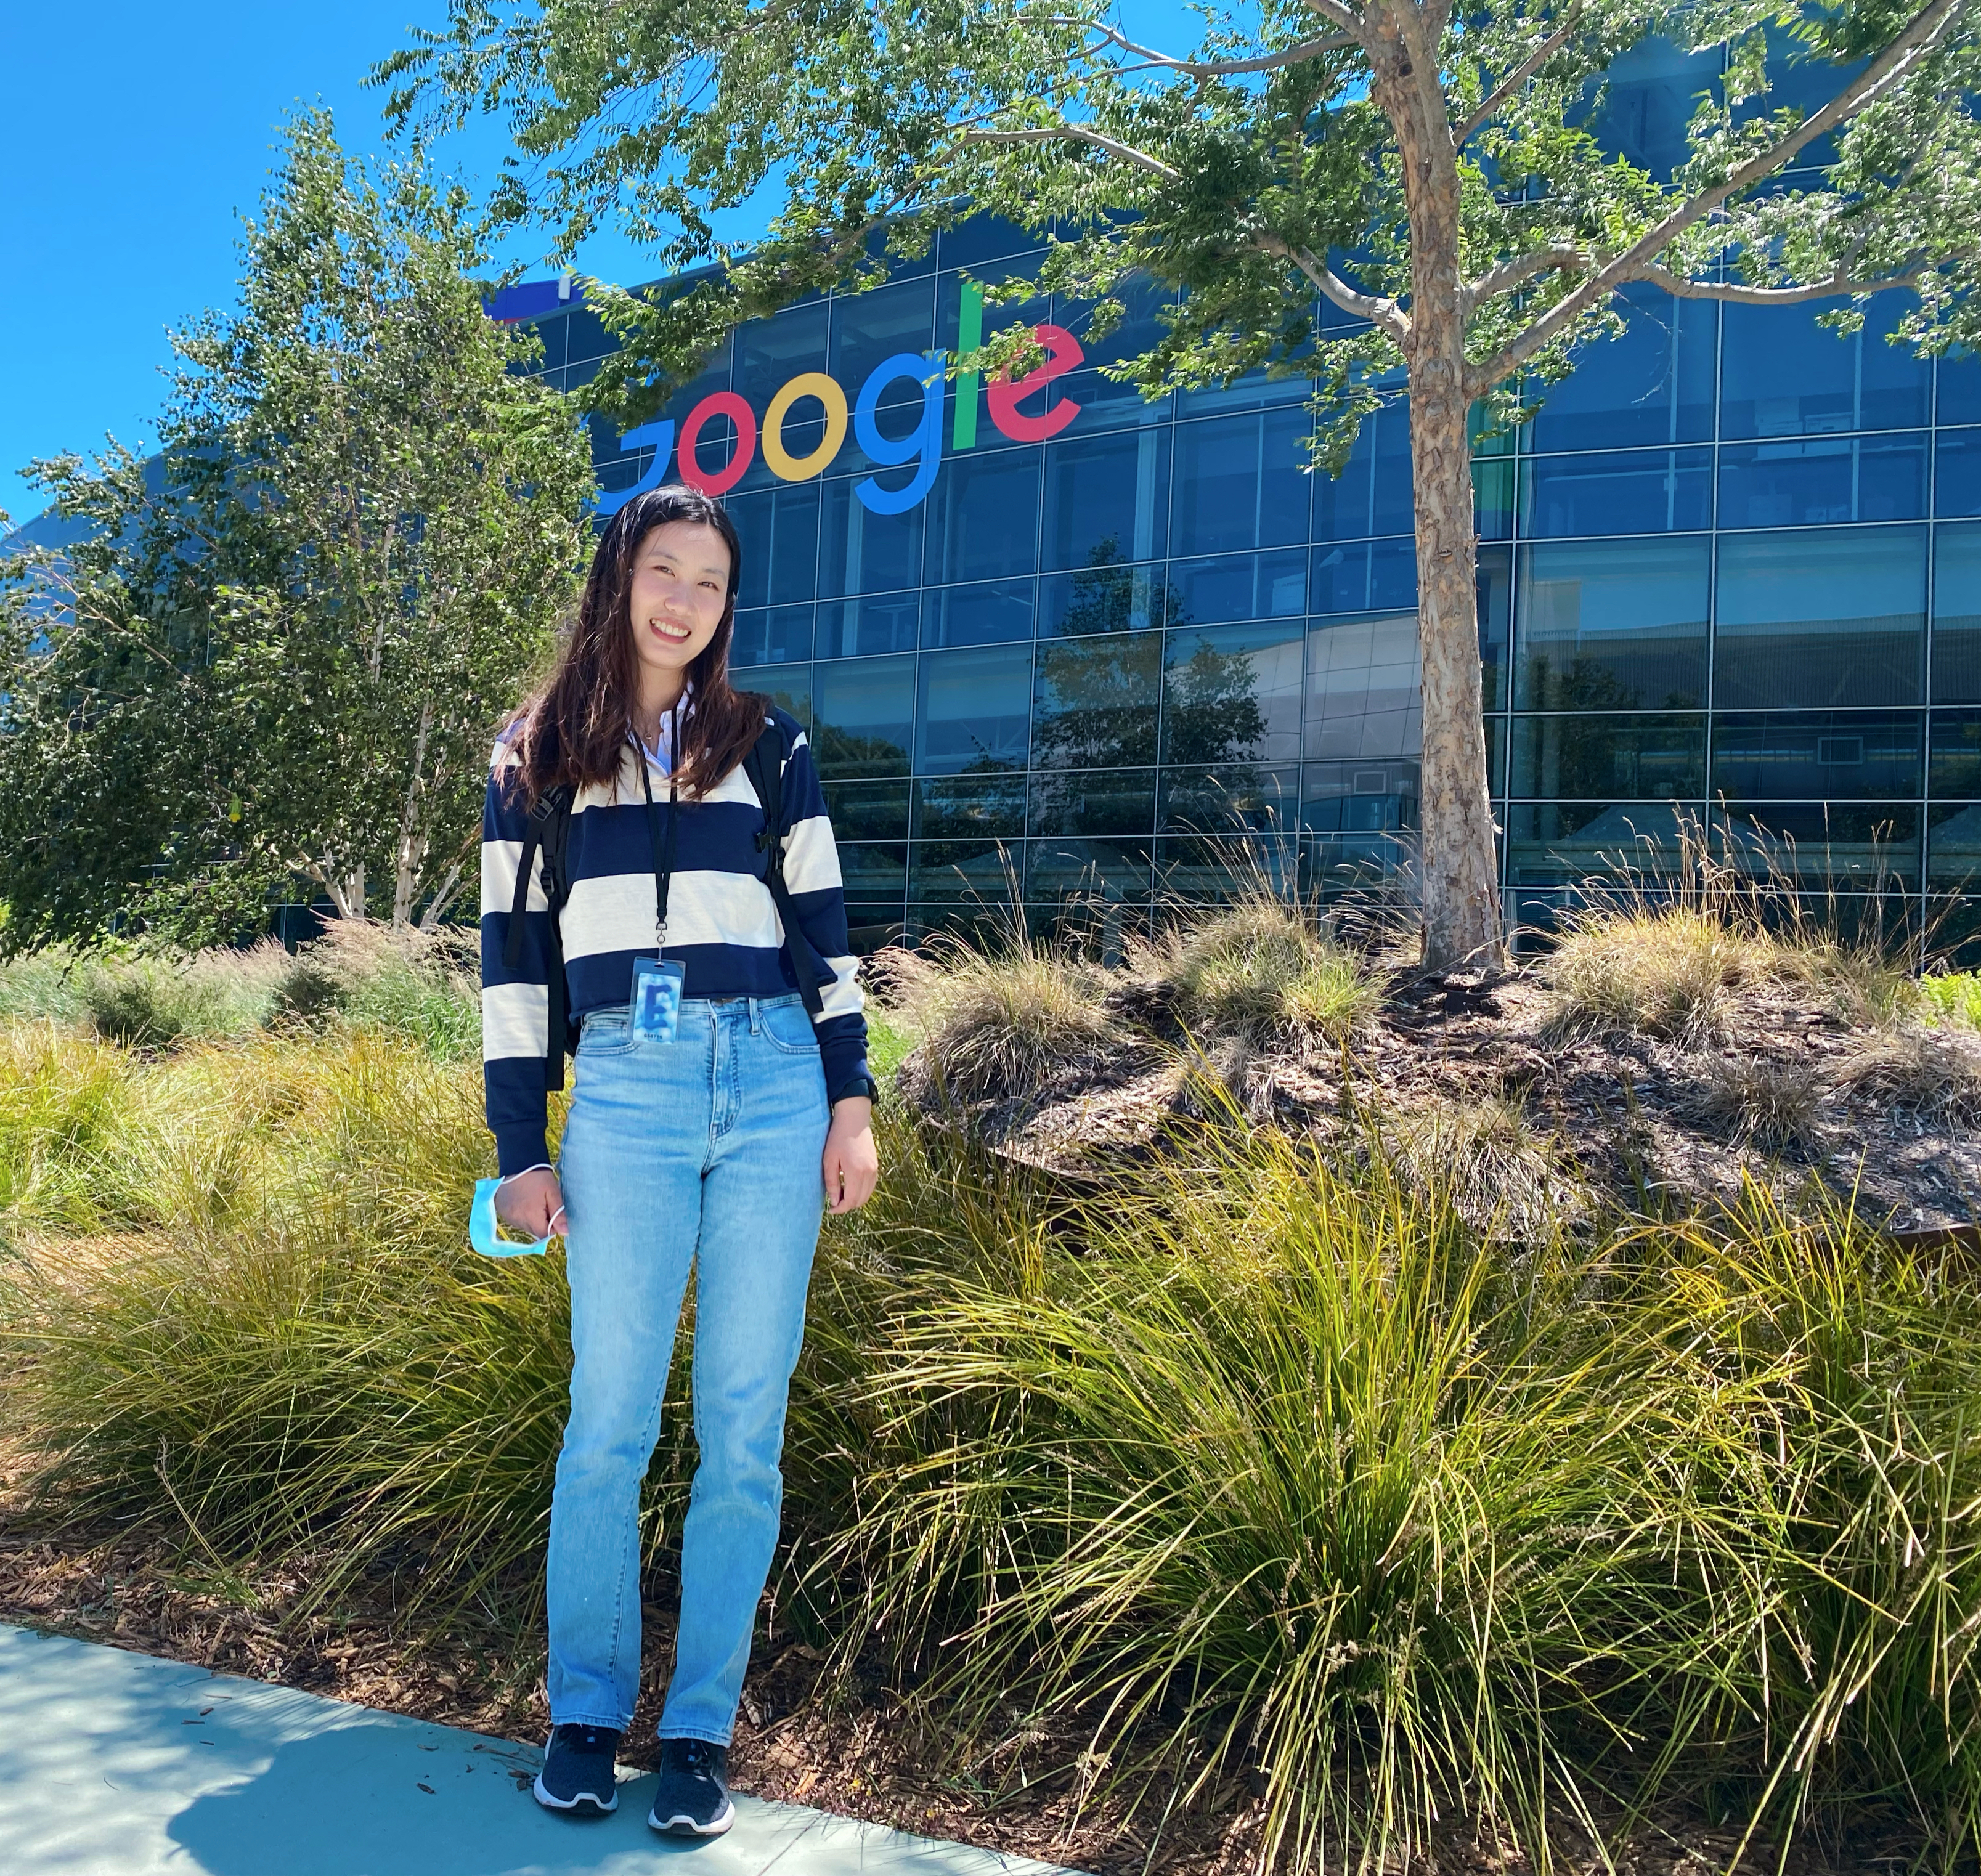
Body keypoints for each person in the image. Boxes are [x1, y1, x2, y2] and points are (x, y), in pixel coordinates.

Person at [479, 482, 879, 1837]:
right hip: (629, 1099)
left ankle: (700, 1727)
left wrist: (851, 1099)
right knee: (608, 1425)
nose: (687, 602)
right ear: (620, 576)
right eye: (667, 570)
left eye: (711, 582)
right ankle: (587, 1711)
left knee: (743, 1432)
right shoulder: (533, 755)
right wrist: (518, 1151)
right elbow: (515, 970)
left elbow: (824, 930)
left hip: (773, 1079)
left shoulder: (768, 742)